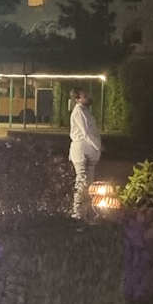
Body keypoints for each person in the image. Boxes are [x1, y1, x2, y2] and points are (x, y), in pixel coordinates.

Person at [69, 88, 102, 219]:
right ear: (77, 99)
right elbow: (86, 133)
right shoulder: (79, 112)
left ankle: (86, 211)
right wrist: (98, 146)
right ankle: (77, 212)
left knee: (89, 183)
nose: (88, 97)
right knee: (82, 181)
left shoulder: (85, 111)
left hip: (88, 151)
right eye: (84, 96)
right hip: (81, 151)